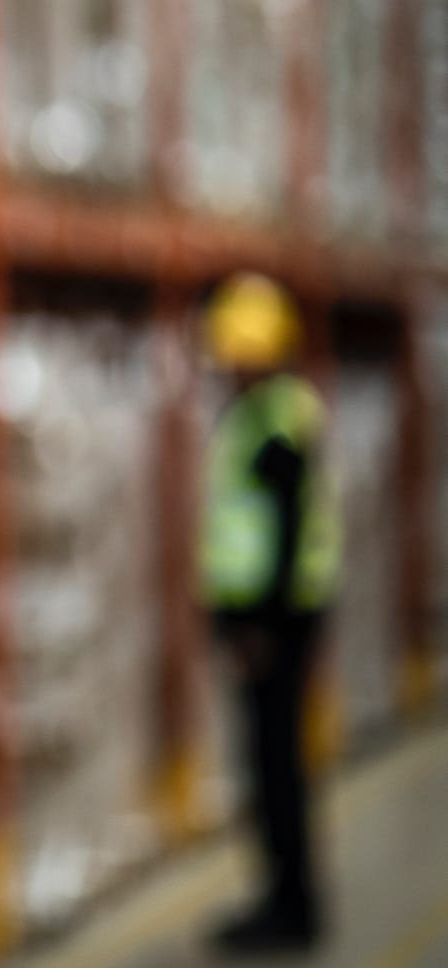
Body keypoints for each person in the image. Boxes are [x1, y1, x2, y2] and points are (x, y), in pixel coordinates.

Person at [197, 272, 341, 955]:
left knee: (278, 770)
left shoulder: (277, 421)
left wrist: (258, 628)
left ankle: (292, 908)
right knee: (270, 767)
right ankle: (283, 896)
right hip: (270, 621)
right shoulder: (263, 413)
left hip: (278, 625)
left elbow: (283, 535)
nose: (228, 365)